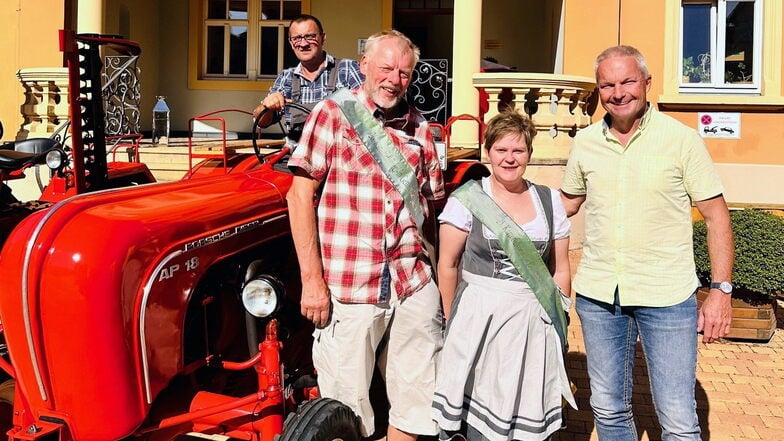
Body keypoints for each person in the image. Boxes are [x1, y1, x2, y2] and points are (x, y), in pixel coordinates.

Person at [560, 45, 734, 441]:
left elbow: (716, 216)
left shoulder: (681, 140)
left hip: (667, 297)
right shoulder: (585, 142)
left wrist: (721, 291)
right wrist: (507, 198)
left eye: (627, 82)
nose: (618, 92)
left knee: (676, 417)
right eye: (607, 85)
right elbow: (567, 202)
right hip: (600, 295)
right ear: (598, 91)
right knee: (607, 407)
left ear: (647, 84)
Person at [286, 30, 443, 441]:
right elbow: (299, 196)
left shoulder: (422, 129)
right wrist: (311, 282)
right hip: (349, 286)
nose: (395, 78)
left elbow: (432, 209)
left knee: (415, 403)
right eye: (387, 67)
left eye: (405, 72)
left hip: (411, 282)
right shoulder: (333, 113)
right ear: (364, 66)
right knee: (345, 411)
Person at [431, 111, 576, 441]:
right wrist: (455, 318)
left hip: (533, 319)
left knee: (528, 407)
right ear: (488, 152)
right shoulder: (467, 199)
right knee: (483, 410)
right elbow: (448, 264)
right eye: (501, 150)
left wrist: (559, 318)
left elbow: (561, 268)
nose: (510, 158)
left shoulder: (550, 201)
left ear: (529, 154)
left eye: (518, 150)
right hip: (481, 319)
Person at [252, 14, 363, 141]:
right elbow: (261, 122)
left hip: (340, 155)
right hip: (298, 155)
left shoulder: (348, 69)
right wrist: (267, 106)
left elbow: (370, 114)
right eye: (297, 38)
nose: (303, 43)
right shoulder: (286, 77)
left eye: (310, 36)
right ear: (291, 43)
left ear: (323, 38)